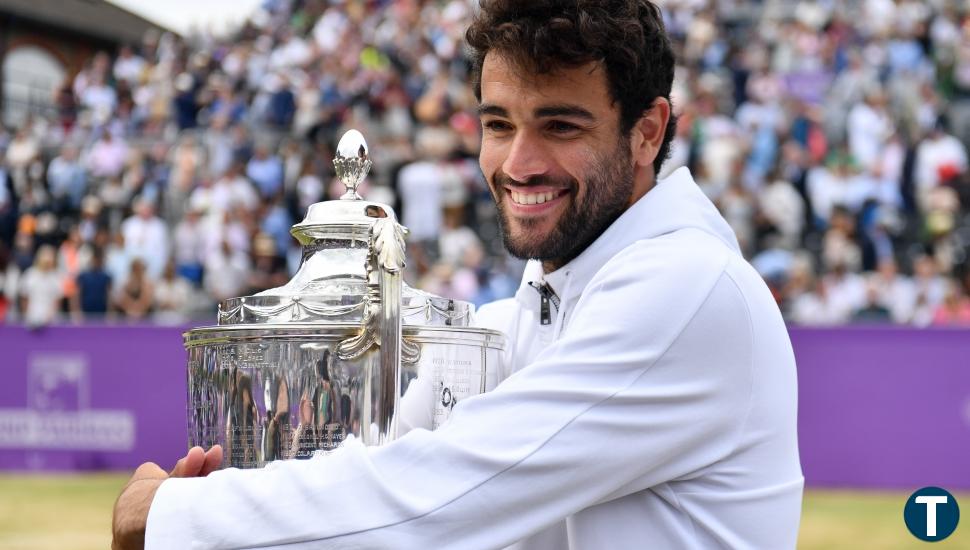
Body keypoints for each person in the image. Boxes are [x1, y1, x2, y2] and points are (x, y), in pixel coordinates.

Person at [112, 2, 802, 548]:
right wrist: (233, 499)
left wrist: (178, 518)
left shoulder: (688, 289)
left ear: (647, 132)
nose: (518, 163)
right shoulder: (524, 315)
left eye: (560, 126)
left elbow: (431, 500)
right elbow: (382, 473)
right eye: (498, 124)